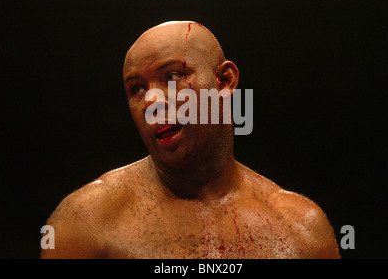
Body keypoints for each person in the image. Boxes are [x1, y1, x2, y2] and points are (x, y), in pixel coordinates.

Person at [41, 21, 340, 259]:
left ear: (224, 82)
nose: (152, 101)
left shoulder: (303, 229)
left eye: (172, 77)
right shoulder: (87, 221)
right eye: (137, 89)